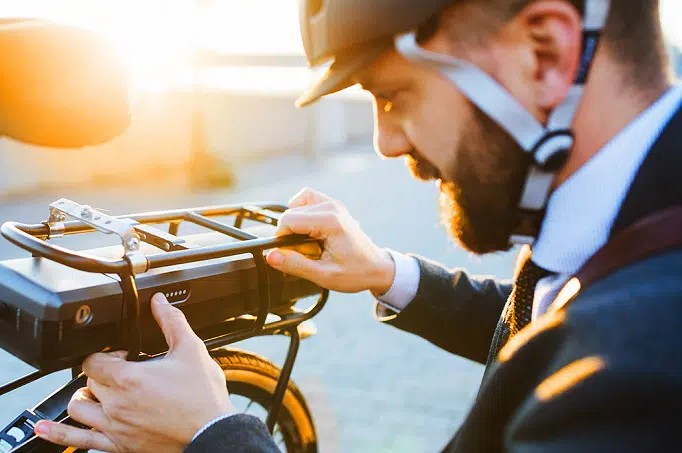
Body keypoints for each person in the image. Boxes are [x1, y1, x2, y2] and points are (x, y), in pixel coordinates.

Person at [33, 0, 682, 451]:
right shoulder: (629, 213)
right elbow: (543, 326)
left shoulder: (642, 369)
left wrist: (211, 436)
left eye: (395, 94)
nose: (385, 142)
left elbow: (596, 341)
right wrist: (387, 273)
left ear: (543, 54)